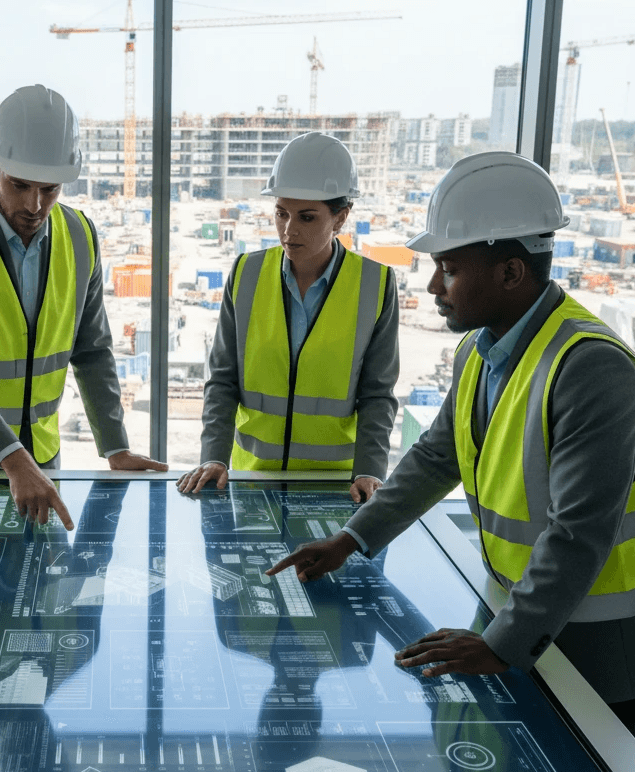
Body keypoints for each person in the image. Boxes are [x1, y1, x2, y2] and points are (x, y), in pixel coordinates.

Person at [266, 152, 635, 730]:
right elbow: (438, 457)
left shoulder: (589, 367)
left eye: (451, 269)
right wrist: (350, 539)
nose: (435, 286)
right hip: (520, 614)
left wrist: (499, 643)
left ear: (512, 273)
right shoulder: (478, 351)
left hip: (594, 649)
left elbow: (578, 533)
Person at [0, 84, 166, 529]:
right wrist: (13, 459)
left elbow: (92, 350)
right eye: (20, 185)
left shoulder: (81, 235)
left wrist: (115, 447)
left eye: (49, 188)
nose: (34, 204)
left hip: (40, 460)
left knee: (40, 592)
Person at [177, 133, 399, 503]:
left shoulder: (374, 284)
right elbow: (223, 380)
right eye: (281, 213)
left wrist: (370, 471)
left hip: (336, 487)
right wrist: (213, 457)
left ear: (341, 217)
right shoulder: (246, 274)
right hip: (251, 480)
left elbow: (377, 394)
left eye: (307, 217)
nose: (289, 229)